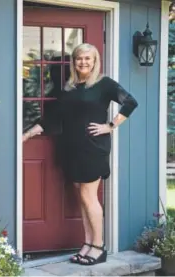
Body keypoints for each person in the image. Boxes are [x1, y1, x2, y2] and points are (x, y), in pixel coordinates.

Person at [22, 43, 138, 265]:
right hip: (72, 146)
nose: (83, 62)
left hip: (93, 147)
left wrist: (111, 125)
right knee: (81, 197)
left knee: (88, 196)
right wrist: (27, 135)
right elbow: (54, 118)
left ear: (95, 61)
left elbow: (130, 102)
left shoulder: (104, 84)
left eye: (88, 58)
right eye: (79, 59)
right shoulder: (70, 87)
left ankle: (99, 246)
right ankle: (87, 243)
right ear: (74, 62)